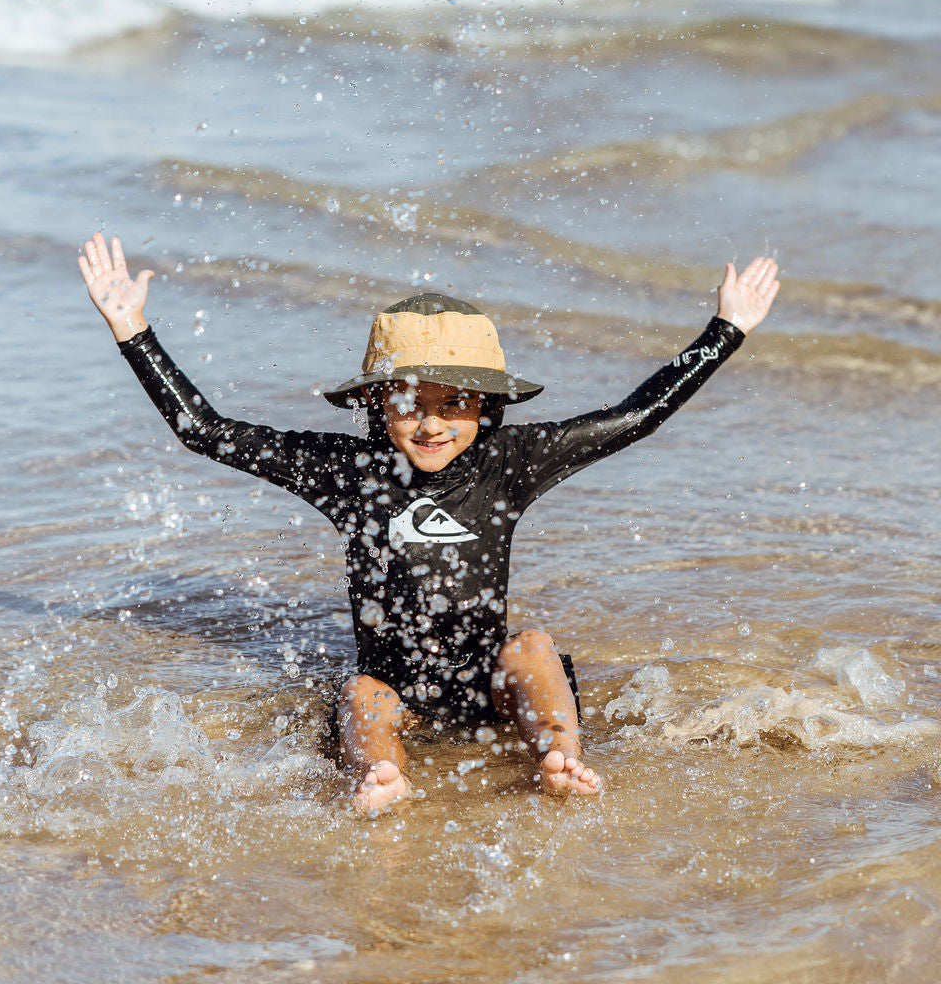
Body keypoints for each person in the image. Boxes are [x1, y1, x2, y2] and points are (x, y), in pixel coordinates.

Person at [78, 231, 779, 814]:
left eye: (456, 402)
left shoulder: (513, 461)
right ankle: (382, 774)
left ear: (487, 405)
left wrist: (727, 330)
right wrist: (131, 328)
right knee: (361, 691)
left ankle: (560, 756)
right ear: (378, 404)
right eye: (411, 401)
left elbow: (635, 417)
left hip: (490, 683)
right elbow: (207, 432)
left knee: (531, 646)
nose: (433, 422)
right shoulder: (347, 472)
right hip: (395, 689)